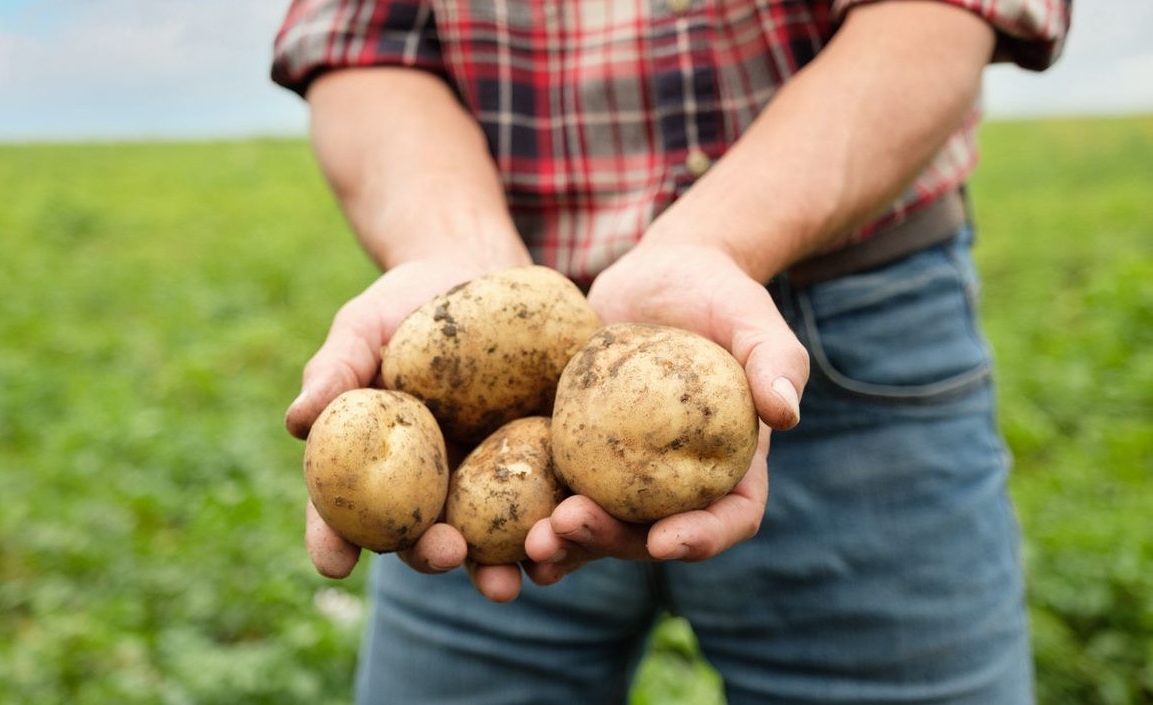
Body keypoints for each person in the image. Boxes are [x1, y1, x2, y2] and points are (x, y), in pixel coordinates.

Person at [272, 1, 1070, 702]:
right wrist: (455, 246)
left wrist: (718, 237)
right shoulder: (443, 432)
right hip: (468, 428)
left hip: (852, 333)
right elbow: (362, 40)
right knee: (461, 550)